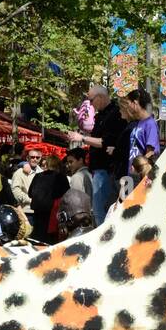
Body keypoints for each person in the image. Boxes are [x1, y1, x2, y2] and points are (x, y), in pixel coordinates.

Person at [70, 85, 125, 226]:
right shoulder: (101, 115)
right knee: (100, 212)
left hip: (105, 170)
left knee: (101, 213)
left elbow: (104, 142)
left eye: (91, 100)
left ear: (100, 98)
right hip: (100, 170)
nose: (90, 104)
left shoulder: (114, 114)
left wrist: (81, 138)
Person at [29, 152, 70, 243]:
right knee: (52, 242)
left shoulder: (38, 176)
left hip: (37, 215)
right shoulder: (61, 177)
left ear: (47, 164)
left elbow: (30, 194)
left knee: (38, 240)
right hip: (54, 215)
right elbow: (68, 195)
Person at [126, 88, 161, 164]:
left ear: (134, 103)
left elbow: (151, 152)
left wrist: (138, 166)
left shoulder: (150, 124)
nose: (127, 107)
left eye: (128, 104)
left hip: (141, 173)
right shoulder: (138, 122)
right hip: (132, 172)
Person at [10, 144, 43, 211]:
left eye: (37, 157)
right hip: (26, 211)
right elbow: (15, 191)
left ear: (40, 159)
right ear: (27, 158)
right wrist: (30, 200)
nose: (35, 159)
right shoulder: (19, 172)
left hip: (40, 211)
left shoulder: (43, 173)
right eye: (32, 157)